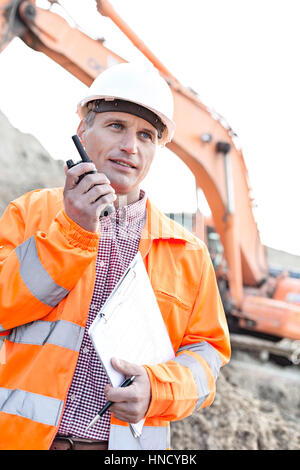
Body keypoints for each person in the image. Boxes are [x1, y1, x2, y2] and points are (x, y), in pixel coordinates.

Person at [0, 62, 230, 450]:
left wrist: (157, 390)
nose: (130, 147)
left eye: (146, 135)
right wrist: (72, 229)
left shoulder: (187, 253)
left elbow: (207, 357)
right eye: (115, 126)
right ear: (82, 133)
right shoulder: (29, 215)